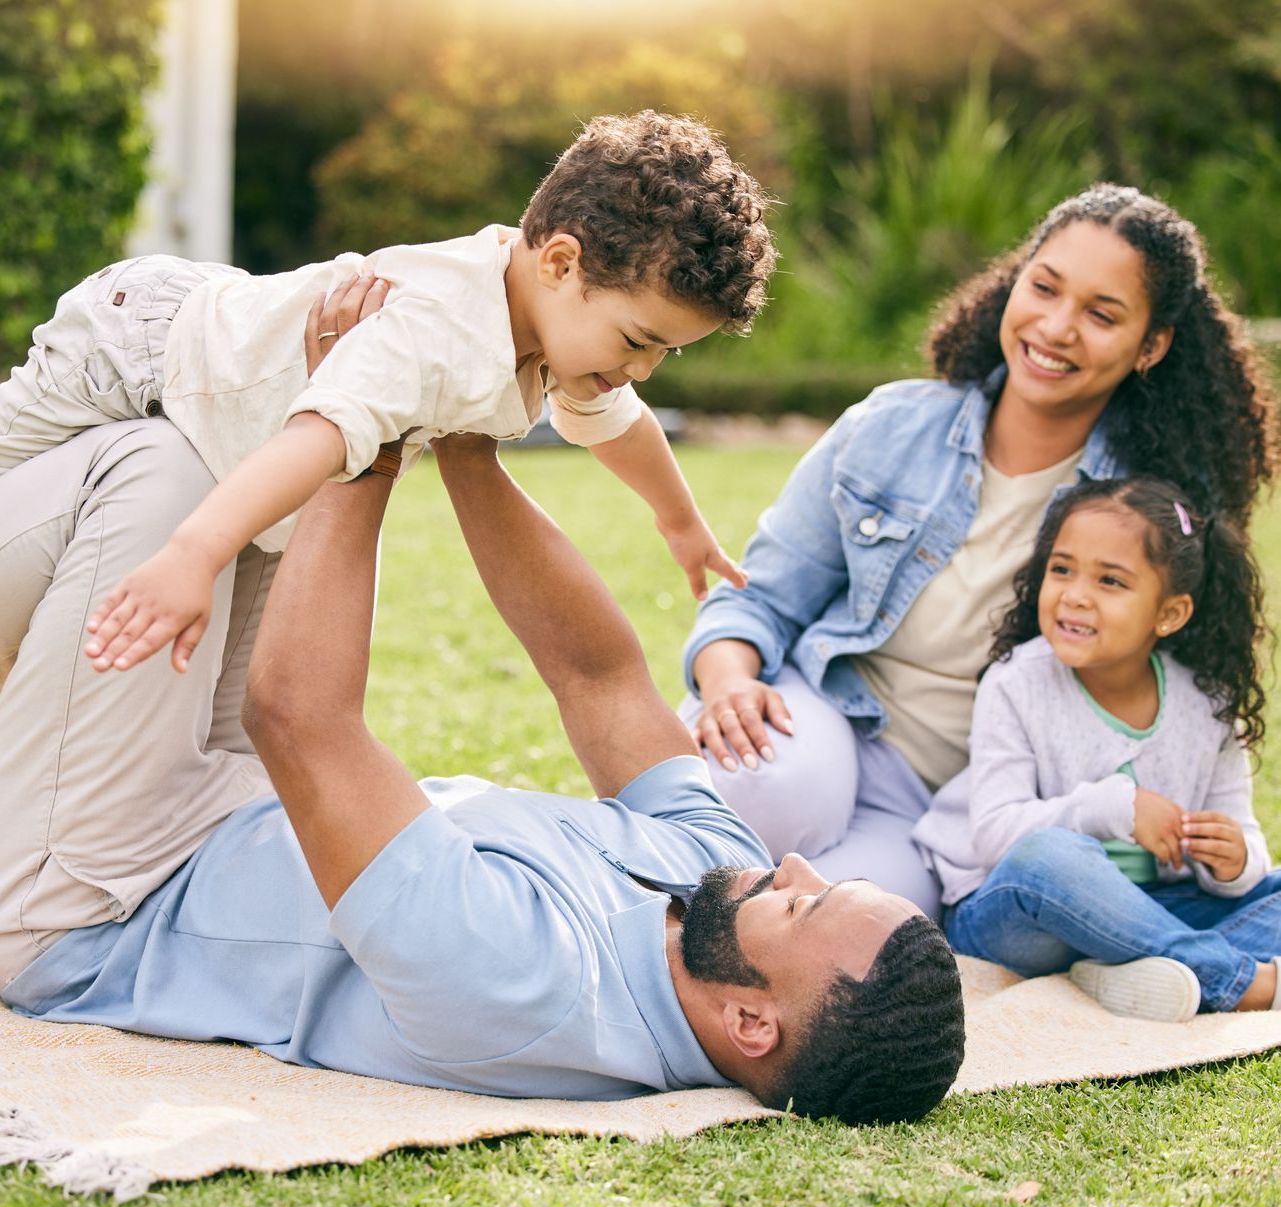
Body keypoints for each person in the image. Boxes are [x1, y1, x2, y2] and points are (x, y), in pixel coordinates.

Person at [0, 292, 965, 1126]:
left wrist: (362, 420)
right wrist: (466, 443)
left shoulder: (525, 988)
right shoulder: (712, 889)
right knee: (229, 465)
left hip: (95, 898)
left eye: (802, 901)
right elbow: (599, 678)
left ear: (752, 1024)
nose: (788, 864)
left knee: (157, 468)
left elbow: (301, 719)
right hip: (225, 816)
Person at [680, 184, 1278, 920]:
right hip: (825, 711)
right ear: (1012, 282)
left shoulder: (1146, 515)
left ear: (1150, 346)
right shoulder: (891, 427)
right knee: (766, 788)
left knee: (848, 925)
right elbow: (756, 596)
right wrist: (728, 680)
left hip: (949, 812)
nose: (1056, 327)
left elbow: (1167, 699)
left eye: (1100, 314)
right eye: (1044, 287)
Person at [0, 110, 771, 679]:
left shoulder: (560, 333)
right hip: (137, 345)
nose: (641, 370)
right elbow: (317, 436)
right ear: (561, 264)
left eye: (664, 353)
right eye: (638, 342)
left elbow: (619, 426)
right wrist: (192, 553)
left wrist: (681, 523)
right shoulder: (438, 329)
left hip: (212, 375)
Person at [915, 477, 1281, 1021]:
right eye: (1062, 569)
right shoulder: (1016, 682)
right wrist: (1116, 808)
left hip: (1154, 906)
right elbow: (995, 837)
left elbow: (1242, 836)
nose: (1075, 593)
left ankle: (1136, 968)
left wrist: (1234, 861)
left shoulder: (1209, 704)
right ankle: (1241, 981)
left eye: (1110, 580)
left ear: (1170, 613)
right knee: (1052, 858)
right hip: (1018, 913)